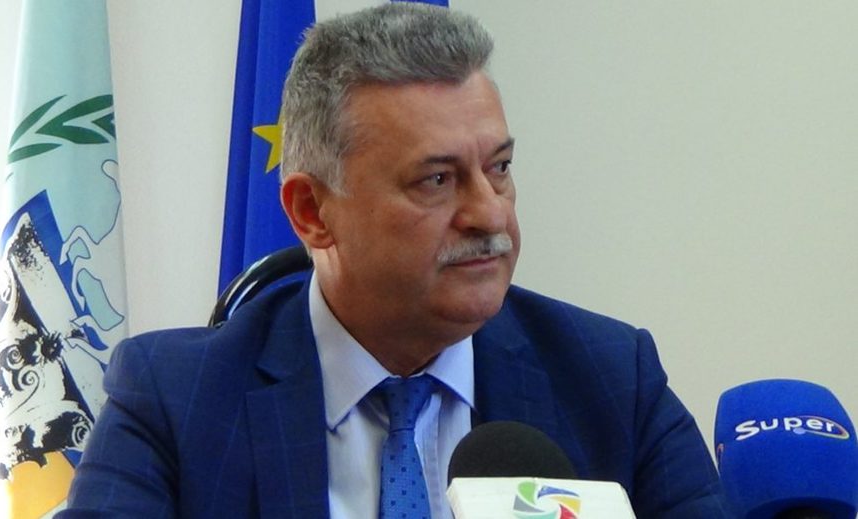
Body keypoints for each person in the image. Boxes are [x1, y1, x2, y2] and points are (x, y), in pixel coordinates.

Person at [63, 4, 730, 518]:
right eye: (436, 180)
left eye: (499, 168)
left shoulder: (611, 379)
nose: (490, 214)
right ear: (312, 212)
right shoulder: (176, 401)